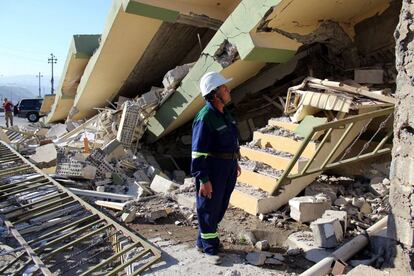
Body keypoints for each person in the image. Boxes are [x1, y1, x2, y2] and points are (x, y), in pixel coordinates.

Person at [191, 72, 241, 264]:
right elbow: (198, 153)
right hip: (213, 169)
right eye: (223, 88)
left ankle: (202, 241)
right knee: (208, 207)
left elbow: (231, 140)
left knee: (219, 206)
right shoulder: (205, 118)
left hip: (227, 166)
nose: (228, 90)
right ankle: (210, 250)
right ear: (214, 94)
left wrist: (234, 161)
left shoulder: (224, 113)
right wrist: (203, 179)